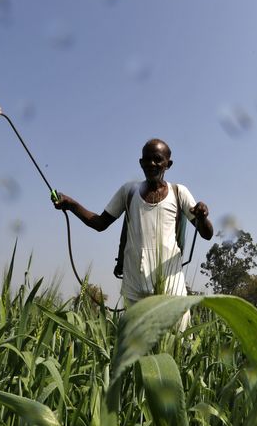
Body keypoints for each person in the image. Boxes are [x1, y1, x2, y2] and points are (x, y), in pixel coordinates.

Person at [52, 139, 213, 326]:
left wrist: (202, 218)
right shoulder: (128, 192)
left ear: (168, 164)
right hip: (135, 282)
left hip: (171, 281)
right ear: (140, 163)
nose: (152, 164)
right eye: (147, 159)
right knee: (138, 342)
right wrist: (71, 205)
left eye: (158, 159)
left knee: (177, 336)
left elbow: (206, 234)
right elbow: (100, 223)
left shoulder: (179, 192)